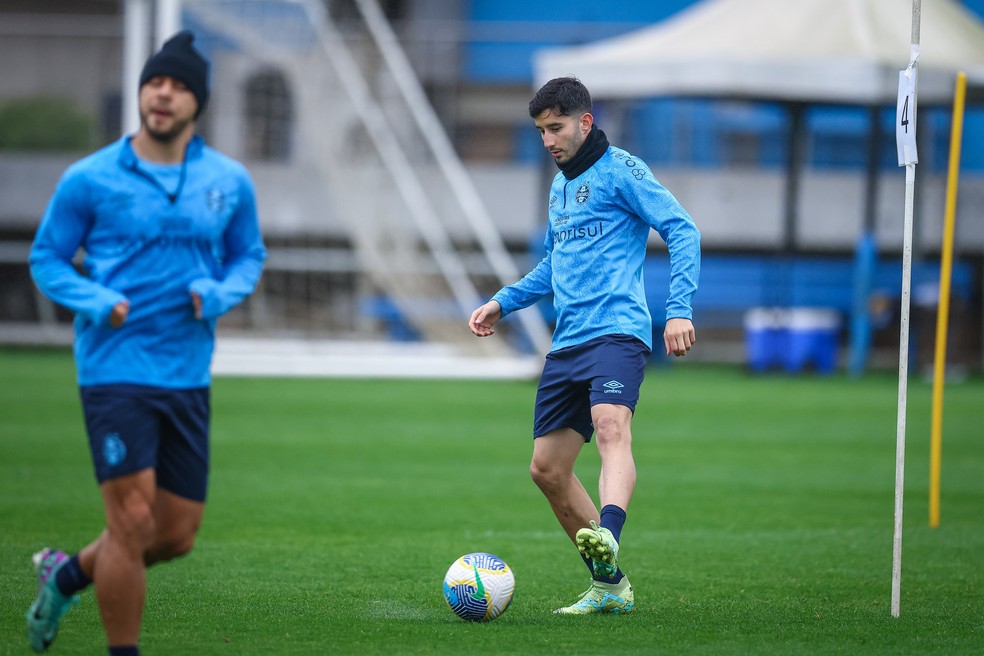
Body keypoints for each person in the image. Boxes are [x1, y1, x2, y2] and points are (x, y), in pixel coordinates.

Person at [26, 31, 266, 655]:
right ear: (140, 93)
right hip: (114, 369)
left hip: (187, 372)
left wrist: (219, 293)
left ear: (197, 102)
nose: (163, 93)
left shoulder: (229, 180)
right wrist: (94, 299)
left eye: (179, 85)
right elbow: (47, 257)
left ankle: (67, 575)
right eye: (155, 82)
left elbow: (248, 255)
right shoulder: (89, 177)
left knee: (175, 535)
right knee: (130, 521)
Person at [468, 77, 700, 615]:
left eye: (556, 128)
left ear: (585, 122)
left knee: (611, 424)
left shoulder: (623, 170)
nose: (547, 140)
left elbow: (682, 229)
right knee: (546, 469)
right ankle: (610, 586)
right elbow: (555, 263)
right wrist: (504, 301)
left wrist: (679, 308)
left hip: (617, 332)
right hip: (568, 342)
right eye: (540, 131)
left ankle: (609, 533)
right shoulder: (560, 187)